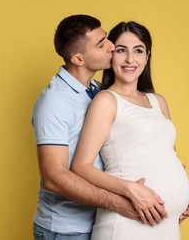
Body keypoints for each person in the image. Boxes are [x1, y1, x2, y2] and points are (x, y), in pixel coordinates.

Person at [31, 15, 169, 240]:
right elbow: (54, 177)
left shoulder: (98, 91)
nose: (111, 47)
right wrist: (120, 203)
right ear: (78, 58)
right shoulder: (54, 102)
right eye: (101, 43)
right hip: (67, 231)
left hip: (103, 222)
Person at [71, 21, 189, 239]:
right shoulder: (106, 100)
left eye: (138, 51)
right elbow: (81, 166)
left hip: (167, 225)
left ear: (147, 57)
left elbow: (169, 155)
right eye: (121, 50)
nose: (130, 59)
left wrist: (187, 190)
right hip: (127, 224)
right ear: (111, 55)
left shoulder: (158, 101)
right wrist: (130, 189)